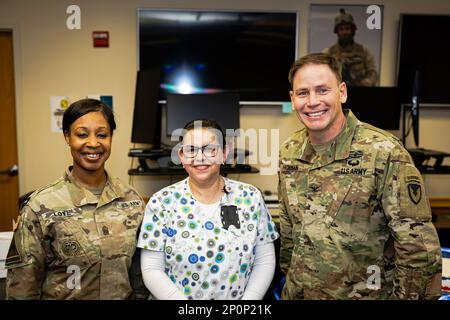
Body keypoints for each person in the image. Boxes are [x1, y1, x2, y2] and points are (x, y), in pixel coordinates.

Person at [278, 53, 442, 299]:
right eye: (303, 93)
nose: (312, 101)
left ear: (341, 92)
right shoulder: (289, 151)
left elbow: (418, 249)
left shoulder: (383, 151)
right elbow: (289, 231)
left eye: (323, 90)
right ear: (293, 99)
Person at [5, 98, 146, 299]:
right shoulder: (39, 207)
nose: (93, 143)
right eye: (82, 134)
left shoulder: (132, 201)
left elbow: (141, 281)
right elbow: (22, 289)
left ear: (111, 137)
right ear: (67, 137)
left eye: (102, 135)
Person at [137, 119, 279, 300]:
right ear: (181, 156)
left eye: (210, 149)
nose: (200, 157)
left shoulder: (250, 198)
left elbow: (264, 262)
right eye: (191, 150)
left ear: (224, 153)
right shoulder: (161, 203)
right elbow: (152, 270)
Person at [323, 9, 378, 86]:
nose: (344, 32)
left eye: (347, 28)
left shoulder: (364, 51)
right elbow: (322, 75)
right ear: (337, 32)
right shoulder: (328, 53)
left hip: (361, 93)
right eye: (341, 29)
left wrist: (362, 85)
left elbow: (373, 74)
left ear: (353, 30)